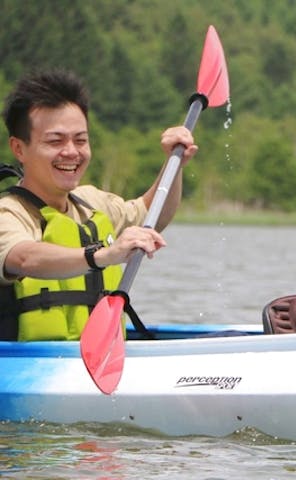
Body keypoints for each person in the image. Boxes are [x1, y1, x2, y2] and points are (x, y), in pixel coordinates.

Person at [0, 69, 198, 341]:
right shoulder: (8, 213)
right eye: (55, 141)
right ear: (19, 148)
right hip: (26, 363)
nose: (72, 152)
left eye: (80, 140)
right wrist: (103, 255)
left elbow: (153, 215)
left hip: (96, 359)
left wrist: (174, 163)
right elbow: (23, 258)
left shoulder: (91, 202)